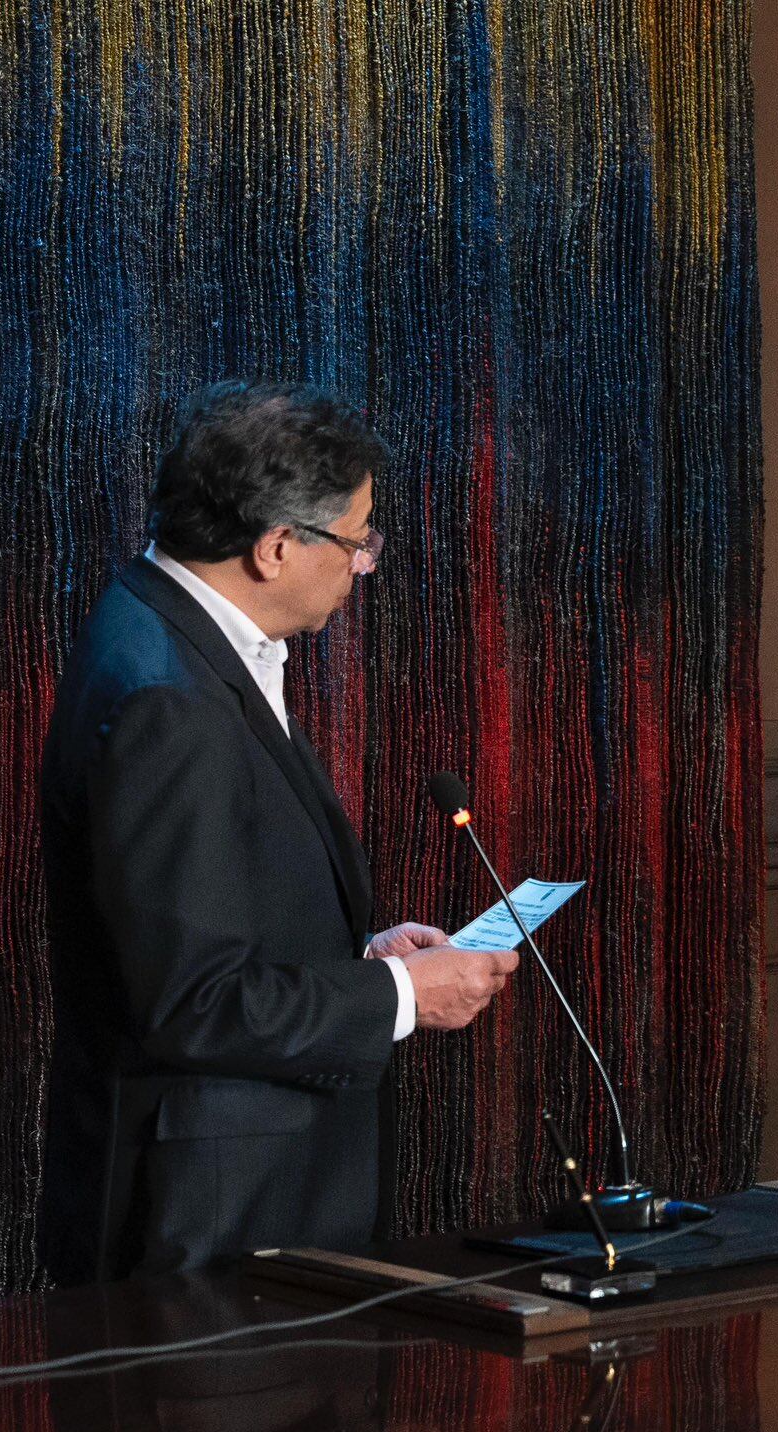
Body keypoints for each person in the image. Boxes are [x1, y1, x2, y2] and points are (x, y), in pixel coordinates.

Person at [39, 380, 520, 1286]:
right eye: (357, 540)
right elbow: (193, 1002)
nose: (365, 564)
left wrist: (364, 958)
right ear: (275, 547)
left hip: (243, 1199)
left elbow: (202, 917)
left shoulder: (178, 634)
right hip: (209, 1222)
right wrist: (401, 999)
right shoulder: (166, 700)